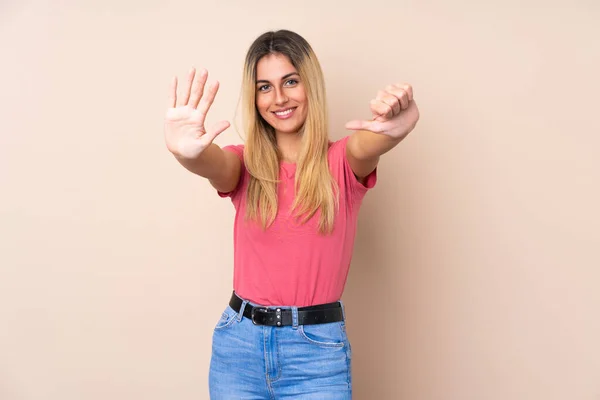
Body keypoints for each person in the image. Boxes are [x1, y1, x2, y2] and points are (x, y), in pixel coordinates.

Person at [164, 29, 419, 399]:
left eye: (290, 81)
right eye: (264, 87)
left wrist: (398, 127)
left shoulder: (343, 162)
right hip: (239, 347)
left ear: (310, 85)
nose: (279, 98)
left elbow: (372, 142)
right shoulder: (244, 163)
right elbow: (212, 163)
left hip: (315, 355)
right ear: (253, 98)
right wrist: (186, 153)